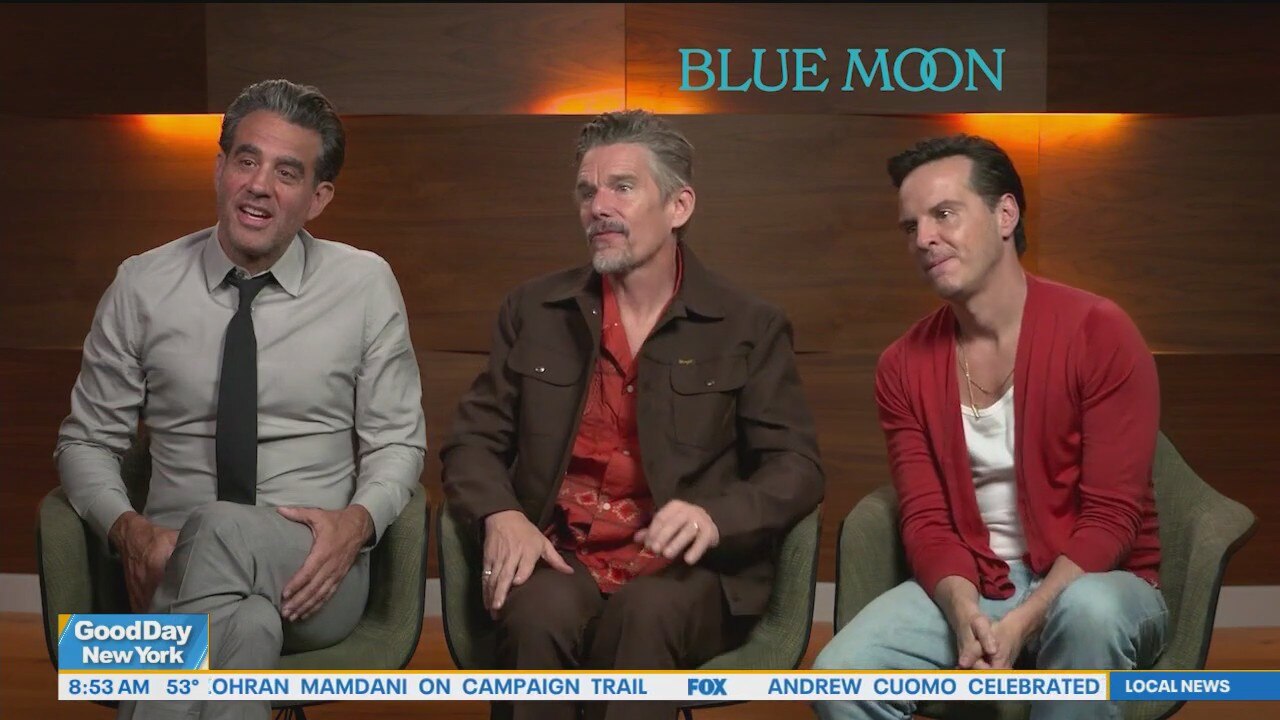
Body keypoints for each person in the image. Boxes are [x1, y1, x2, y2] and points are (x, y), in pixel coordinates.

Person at [55, 78, 427, 720]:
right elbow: (85, 442)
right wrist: (130, 533)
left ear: (318, 198)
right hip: (167, 563)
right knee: (246, 626)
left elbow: (397, 441)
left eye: (287, 172)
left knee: (219, 528)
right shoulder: (142, 284)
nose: (259, 185)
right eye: (246, 160)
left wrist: (355, 525)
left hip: (313, 574)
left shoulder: (364, 284)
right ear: (219, 168)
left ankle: (143, 669)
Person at [440, 109, 824, 720]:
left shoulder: (748, 325)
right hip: (561, 554)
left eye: (622, 187)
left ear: (679, 206)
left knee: (643, 619)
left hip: (685, 574)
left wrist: (715, 517)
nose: (598, 207)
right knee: (537, 616)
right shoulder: (534, 310)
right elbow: (472, 442)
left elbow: (796, 467)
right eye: (586, 191)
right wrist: (501, 513)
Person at [813, 134, 1167, 720]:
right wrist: (963, 612)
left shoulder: (1098, 331)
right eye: (911, 226)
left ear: (1006, 215)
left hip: (1098, 581)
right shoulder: (902, 365)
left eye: (944, 214)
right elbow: (926, 520)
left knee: (1088, 614)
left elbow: (1112, 518)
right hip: (977, 585)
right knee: (838, 676)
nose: (924, 238)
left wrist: (1027, 619)